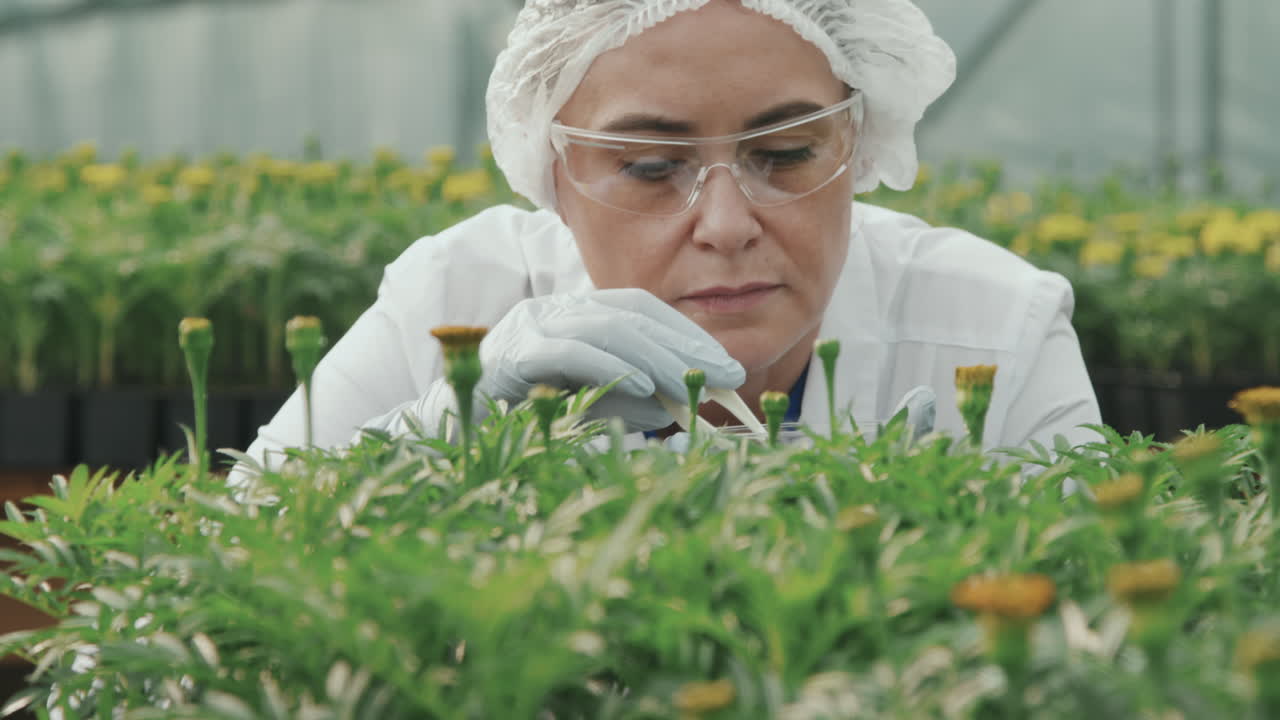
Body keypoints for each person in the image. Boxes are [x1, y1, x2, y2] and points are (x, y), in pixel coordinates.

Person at [235, 0, 1100, 480]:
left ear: (860, 148)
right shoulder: (453, 301)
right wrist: (443, 433)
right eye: (651, 167)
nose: (726, 226)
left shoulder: (997, 327)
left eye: (788, 154)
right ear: (554, 181)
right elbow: (222, 562)